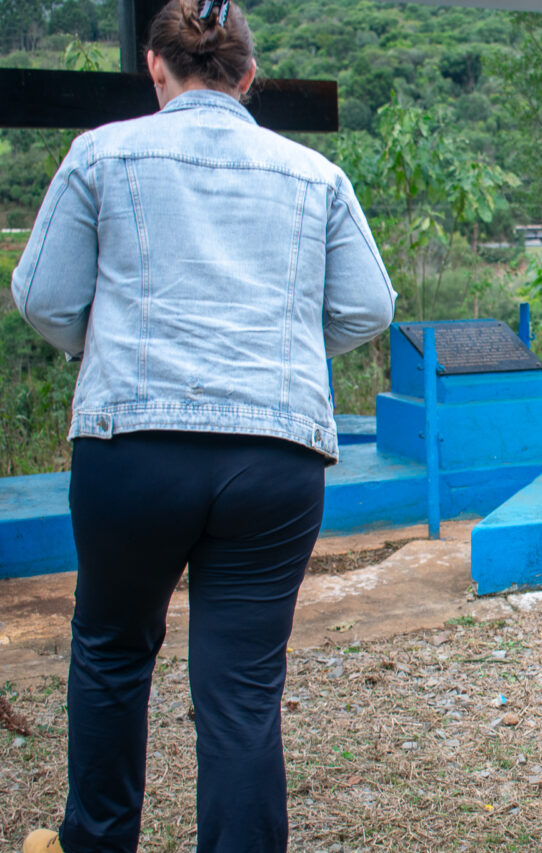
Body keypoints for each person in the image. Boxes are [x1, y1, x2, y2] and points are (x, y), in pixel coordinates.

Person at [11, 1, 396, 850]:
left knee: (112, 651)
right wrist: (283, 343)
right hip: (274, 457)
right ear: (248, 77)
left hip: (132, 447)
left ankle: (100, 840)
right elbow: (369, 306)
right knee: (243, 685)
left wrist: (106, 342)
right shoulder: (313, 173)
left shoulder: (100, 155)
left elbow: (41, 295)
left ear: (157, 67)